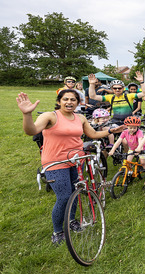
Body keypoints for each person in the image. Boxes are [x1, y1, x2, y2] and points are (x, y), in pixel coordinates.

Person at [17, 90, 125, 245]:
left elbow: (93, 134)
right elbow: (31, 131)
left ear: (78, 102)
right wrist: (27, 114)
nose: (69, 102)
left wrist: (110, 131)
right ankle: (57, 231)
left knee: (75, 192)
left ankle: (72, 220)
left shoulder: (80, 118)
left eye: (73, 99)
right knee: (64, 197)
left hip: (76, 160)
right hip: (55, 162)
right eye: (65, 99)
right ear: (59, 101)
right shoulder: (50, 116)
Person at [109, 116, 145, 183]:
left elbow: (140, 141)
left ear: (137, 127)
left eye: (134, 128)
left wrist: (139, 149)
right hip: (132, 149)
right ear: (127, 126)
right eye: (130, 128)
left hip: (141, 148)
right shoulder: (124, 132)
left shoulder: (139, 132)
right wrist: (112, 150)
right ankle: (130, 173)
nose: (132, 129)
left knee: (143, 163)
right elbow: (118, 141)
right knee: (128, 162)